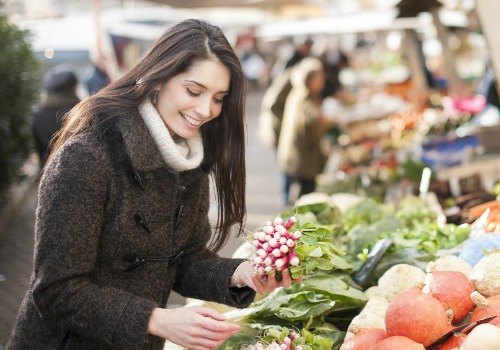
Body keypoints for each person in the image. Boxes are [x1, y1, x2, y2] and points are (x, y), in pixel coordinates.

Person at [8, 19, 300, 350]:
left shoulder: (189, 160)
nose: (205, 110)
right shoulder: (86, 157)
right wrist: (155, 320)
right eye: (193, 91)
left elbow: (184, 260)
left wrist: (241, 274)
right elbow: (56, 290)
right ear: (158, 79)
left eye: (219, 98)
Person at [277, 57, 330, 205]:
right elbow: (313, 117)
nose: (322, 81)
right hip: (303, 155)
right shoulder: (305, 96)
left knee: (299, 189)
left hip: (298, 152)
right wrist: (329, 120)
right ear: (310, 79)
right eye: (319, 78)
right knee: (305, 193)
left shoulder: (299, 92)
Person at [32, 65, 81, 170]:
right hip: (79, 170)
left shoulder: (39, 115)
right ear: (72, 88)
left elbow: (40, 150)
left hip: (50, 171)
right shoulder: (78, 111)